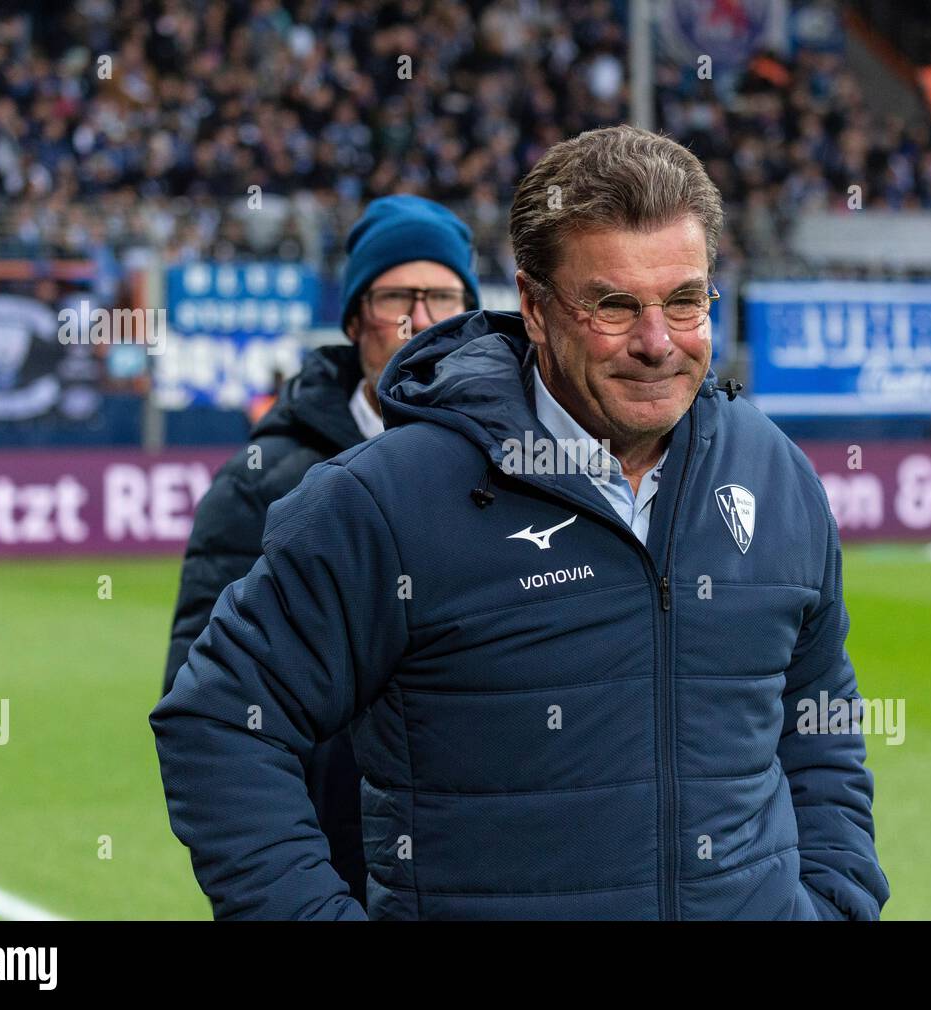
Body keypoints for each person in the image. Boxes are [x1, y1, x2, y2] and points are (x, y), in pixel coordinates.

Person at [152, 125, 889, 921]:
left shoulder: (774, 474)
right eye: (614, 305)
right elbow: (222, 719)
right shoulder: (389, 499)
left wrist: (836, 896)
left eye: (684, 302)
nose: (656, 342)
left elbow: (820, 712)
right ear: (534, 309)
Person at [160, 194, 481, 909]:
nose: (421, 320)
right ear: (355, 316)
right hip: (339, 876)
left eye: (443, 297)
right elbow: (209, 720)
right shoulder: (263, 484)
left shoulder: (519, 469)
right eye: (398, 295)